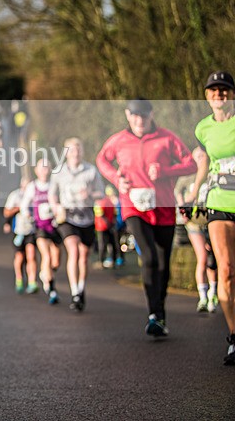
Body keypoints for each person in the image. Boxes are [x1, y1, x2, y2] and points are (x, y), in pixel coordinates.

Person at [97, 98, 196, 338]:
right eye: (134, 115)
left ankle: (160, 313)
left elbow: (191, 164)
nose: (139, 120)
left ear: (151, 115)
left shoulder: (167, 138)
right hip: (133, 206)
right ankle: (153, 314)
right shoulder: (119, 140)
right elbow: (102, 160)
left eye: (143, 115)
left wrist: (166, 171)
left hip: (163, 207)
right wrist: (116, 179)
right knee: (149, 257)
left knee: (163, 263)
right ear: (127, 115)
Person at [185, 71, 235, 364]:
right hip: (218, 202)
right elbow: (204, 163)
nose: (219, 94)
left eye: (224, 89)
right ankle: (234, 336)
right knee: (225, 269)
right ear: (207, 96)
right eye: (214, 90)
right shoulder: (202, 128)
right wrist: (194, 191)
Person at [49, 138, 104, 312]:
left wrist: (90, 193)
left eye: (78, 149)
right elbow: (52, 194)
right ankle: (74, 293)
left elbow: (101, 193)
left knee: (84, 255)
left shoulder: (91, 171)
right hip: (67, 216)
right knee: (73, 250)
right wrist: (56, 206)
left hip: (86, 216)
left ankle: (81, 288)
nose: (75, 153)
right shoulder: (58, 172)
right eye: (72, 150)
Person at [176, 148, 219, 312]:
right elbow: (177, 192)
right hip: (194, 224)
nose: (200, 159)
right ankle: (202, 297)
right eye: (197, 157)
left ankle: (213, 293)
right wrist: (183, 210)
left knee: (213, 259)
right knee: (202, 258)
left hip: (211, 222)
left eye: (203, 156)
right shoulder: (187, 177)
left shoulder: (212, 175)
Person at [20, 158, 62, 305]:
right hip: (40, 227)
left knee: (56, 260)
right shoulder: (32, 187)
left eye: (47, 167)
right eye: (42, 168)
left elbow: (61, 201)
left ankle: (46, 273)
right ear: (36, 171)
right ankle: (51, 288)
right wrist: (28, 215)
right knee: (46, 255)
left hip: (54, 226)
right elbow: (24, 205)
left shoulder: (54, 186)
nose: (44, 171)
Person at [3, 176, 38, 294]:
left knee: (31, 255)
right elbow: (6, 212)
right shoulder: (15, 195)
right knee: (20, 257)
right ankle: (19, 279)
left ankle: (32, 282)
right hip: (18, 231)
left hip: (32, 230)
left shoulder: (34, 195)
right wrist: (18, 209)